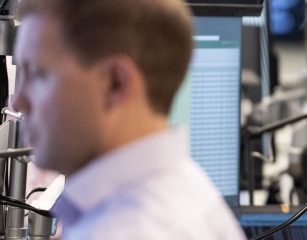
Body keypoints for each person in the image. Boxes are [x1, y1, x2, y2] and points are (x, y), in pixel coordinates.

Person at [11, 0, 246, 239]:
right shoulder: (192, 192)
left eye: (38, 74)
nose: (17, 102)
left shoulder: (125, 230)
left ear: (115, 84)